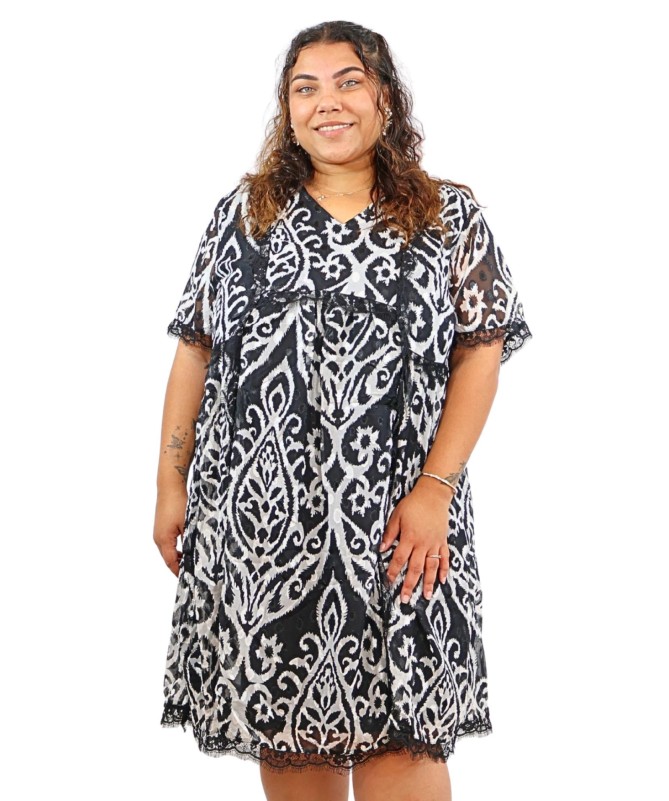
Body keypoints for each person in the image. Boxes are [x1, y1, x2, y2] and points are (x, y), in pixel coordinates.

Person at [153, 19, 532, 801]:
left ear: (385, 98)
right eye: (305, 88)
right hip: (262, 527)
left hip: (403, 522)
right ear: (287, 111)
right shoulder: (243, 216)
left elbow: (480, 353)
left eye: (347, 81)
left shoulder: (447, 217)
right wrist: (169, 483)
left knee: (406, 733)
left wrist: (434, 489)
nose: (326, 102)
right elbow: (195, 350)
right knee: (292, 731)